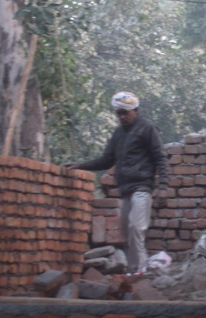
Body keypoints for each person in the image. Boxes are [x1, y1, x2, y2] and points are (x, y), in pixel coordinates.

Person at [71, 92, 170, 272]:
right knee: (126, 232)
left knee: (136, 228)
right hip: (125, 190)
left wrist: (163, 187)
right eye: (119, 113)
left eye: (126, 113)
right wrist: (80, 166)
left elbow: (161, 158)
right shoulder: (118, 134)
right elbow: (107, 160)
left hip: (142, 187)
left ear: (135, 110)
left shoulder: (146, 128)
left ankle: (139, 271)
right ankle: (137, 271)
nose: (122, 117)